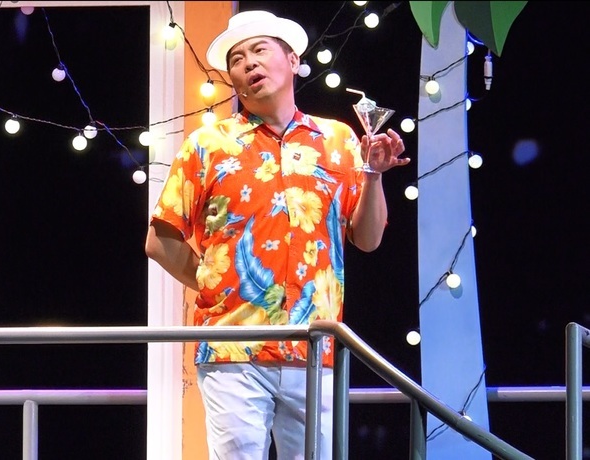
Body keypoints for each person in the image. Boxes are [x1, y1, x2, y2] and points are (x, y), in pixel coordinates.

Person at [145, 10, 409, 460]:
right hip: (233, 348)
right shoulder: (207, 145)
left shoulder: (339, 139)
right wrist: (216, 283)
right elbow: (160, 241)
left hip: (314, 346)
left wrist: (373, 174)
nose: (248, 63)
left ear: (292, 60)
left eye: (259, 50)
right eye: (237, 59)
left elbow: (367, 240)